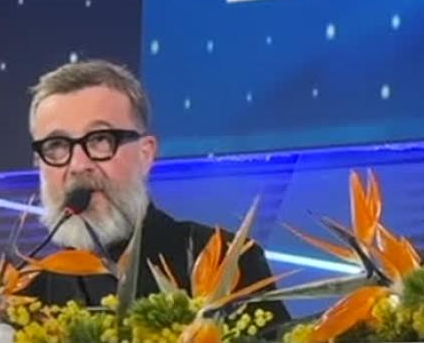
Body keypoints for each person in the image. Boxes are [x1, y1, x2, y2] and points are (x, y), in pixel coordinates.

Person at [20, 60, 289, 323]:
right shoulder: (25, 296)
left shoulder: (224, 262)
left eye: (100, 139)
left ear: (145, 154)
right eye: (56, 145)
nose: (79, 165)